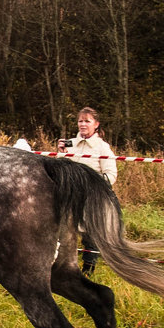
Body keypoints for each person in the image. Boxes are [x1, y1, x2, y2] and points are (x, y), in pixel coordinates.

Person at [57, 107, 118, 276]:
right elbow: (61, 169)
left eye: (87, 121)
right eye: (80, 121)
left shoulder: (102, 147)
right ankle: (62, 266)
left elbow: (111, 175)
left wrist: (91, 185)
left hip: (92, 198)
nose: (83, 124)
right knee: (63, 230)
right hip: (70, 196)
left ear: (96, 124)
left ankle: (88, 270)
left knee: (90, 235)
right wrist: (61, 154)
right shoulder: (70, 143)